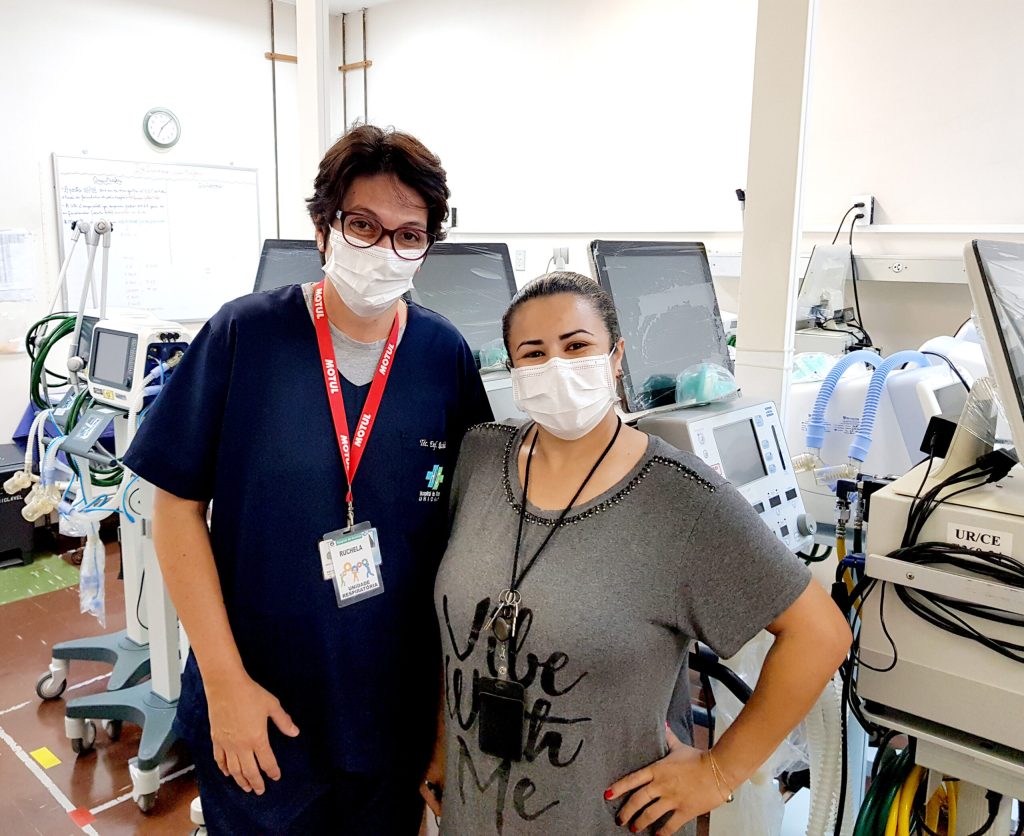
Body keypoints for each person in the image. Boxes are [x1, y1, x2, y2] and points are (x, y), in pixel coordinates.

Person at [124, 125, 493, 834]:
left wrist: (446, 724)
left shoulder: (441, 354)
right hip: (261, 701)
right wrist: (226, 686)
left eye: (409, 235)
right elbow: (173, 508)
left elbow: (466, 534)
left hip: (393, 709)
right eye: (364, 225)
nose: (385, 250)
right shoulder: (245, 335)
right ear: (324, 228)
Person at [427, 272, 851, 835]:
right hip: (472, 812)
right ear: (512, 371)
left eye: (576, 346)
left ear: (616, 357)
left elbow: (821, 635)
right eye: (534, 353)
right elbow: (461, 636)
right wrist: (440, 740)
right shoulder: (481, 460)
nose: (557, 365)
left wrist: (719, 773)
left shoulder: (681, 499)